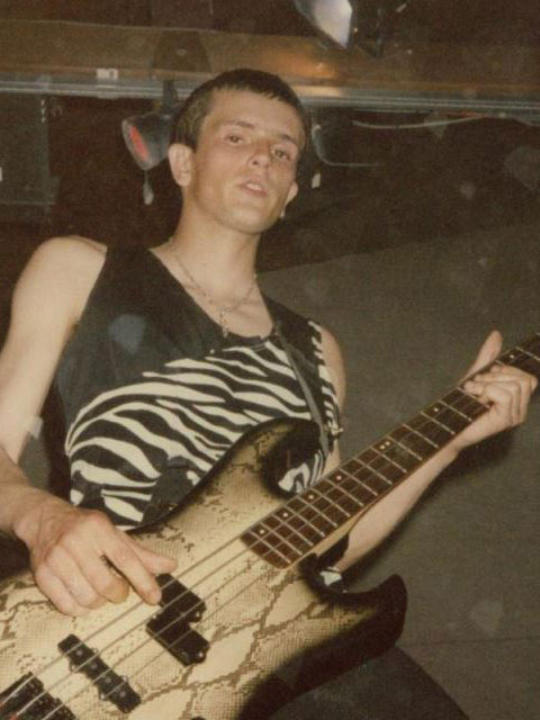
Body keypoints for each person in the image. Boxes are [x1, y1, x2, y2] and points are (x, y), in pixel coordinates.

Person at [0, 69, 536, 716]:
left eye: (284, 151)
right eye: (238, 137)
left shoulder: (317, 350)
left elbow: (330, 541)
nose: (264, 156)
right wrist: (41, 517)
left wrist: (449, 443)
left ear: (290, 195)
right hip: (97, 633)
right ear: (183, 163)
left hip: (258, 657)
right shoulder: (80, 269)